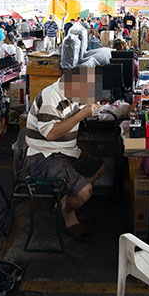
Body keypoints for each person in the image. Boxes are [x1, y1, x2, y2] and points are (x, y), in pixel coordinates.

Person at [24, 66, 105, 241]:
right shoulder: (50, 97)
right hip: (45, 156)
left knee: (100, 167)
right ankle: (68, 211)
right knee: (85, 192)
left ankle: (66, 197)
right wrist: (80, 115)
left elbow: (83, 106)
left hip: (68, 152)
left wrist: (91, 107)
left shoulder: (73, 95)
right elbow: (51, 133)